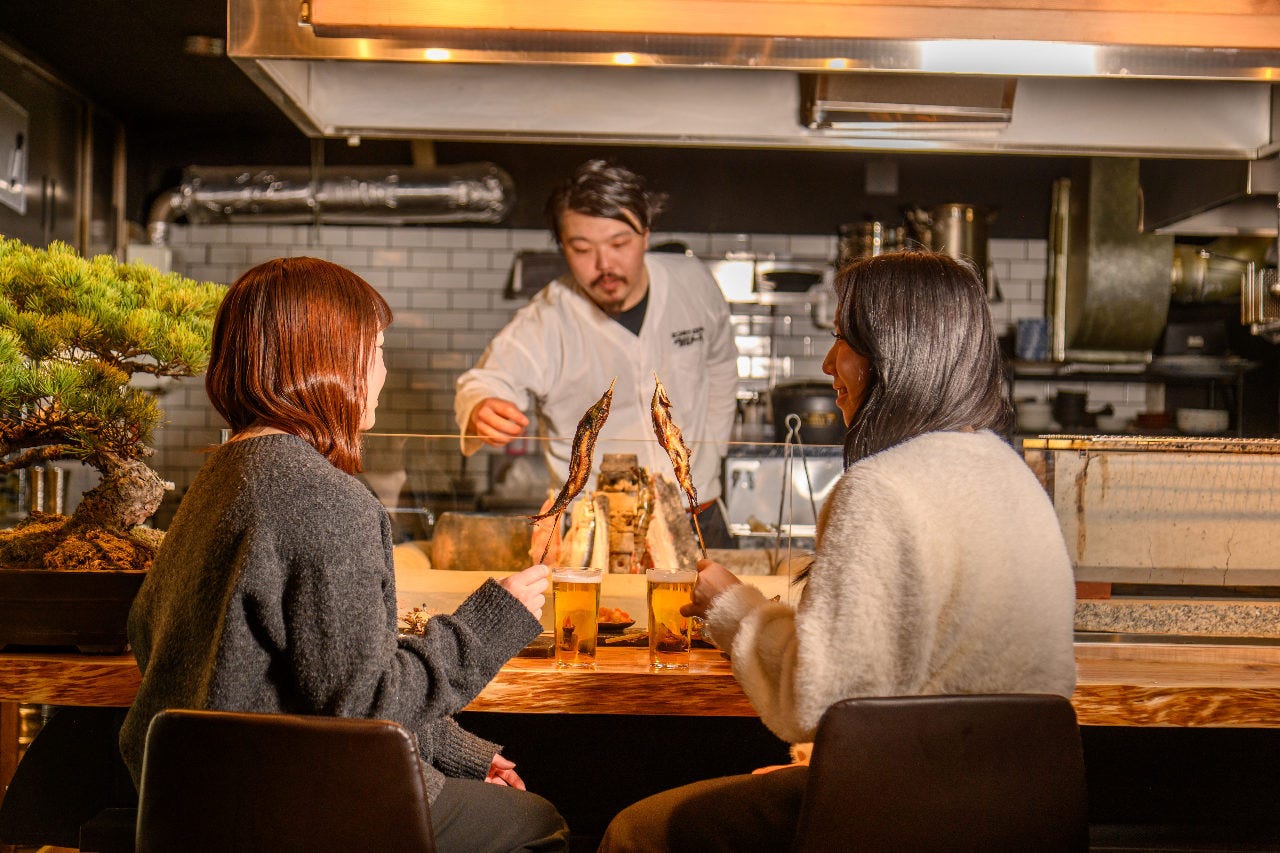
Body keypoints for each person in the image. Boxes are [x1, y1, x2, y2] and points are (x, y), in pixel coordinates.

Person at [598, 251, 1077, 852]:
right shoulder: (1012, 474)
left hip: (898, 818)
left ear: (896, 354)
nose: (828, 364)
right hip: (1012, 813)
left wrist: (730, 605)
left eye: (842, 341)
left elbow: (817, 701)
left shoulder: (881, 488)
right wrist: (822, 767)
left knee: (635, 833)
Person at [119, 257, 569, 852]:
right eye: (376, 350)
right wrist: (494, 620)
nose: (383, 370)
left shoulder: (222, 477)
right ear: (328, 359)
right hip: (297, 809)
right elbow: (366, 704)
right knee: (538, 822)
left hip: (191, 804)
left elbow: (301, 679)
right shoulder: (325, 498)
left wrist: (451, 749)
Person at [454, 159, 738, 546]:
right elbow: (486, 382)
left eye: (619, 244)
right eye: (582, 249)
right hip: (596, 529)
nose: (605, 265)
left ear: (646, 235)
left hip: (697, 513)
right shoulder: (546, 318)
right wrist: (482, 407)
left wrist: (713, 450)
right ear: (563, 247)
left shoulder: (692, 282)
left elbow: (721, 363)